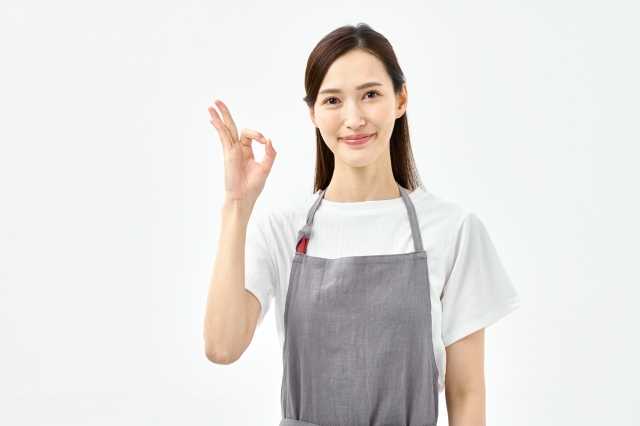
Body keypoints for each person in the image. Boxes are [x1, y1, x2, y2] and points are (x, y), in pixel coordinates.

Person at [204, 23, 520, 426]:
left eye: (370, 94)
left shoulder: (453, 230)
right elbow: (222, 346)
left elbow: (466, 393)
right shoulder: (282, 230)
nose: (353, 119)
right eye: (333, 100)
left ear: (400, 99)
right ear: (313, 113)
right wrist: (236, 206)